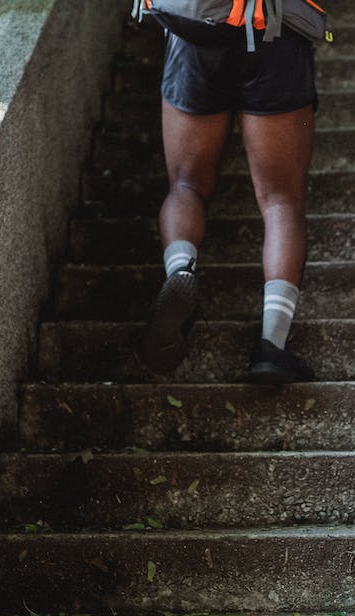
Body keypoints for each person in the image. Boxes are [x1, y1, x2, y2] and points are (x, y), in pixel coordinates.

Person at [138, 4, 318, 384]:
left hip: (193, 35)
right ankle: (272, 345)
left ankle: (181, 269)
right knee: (281, 200)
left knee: (186, 183)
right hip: (278, 37)